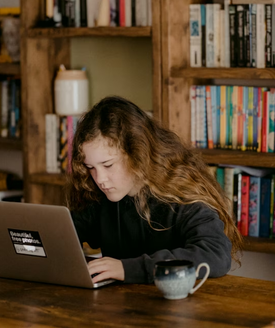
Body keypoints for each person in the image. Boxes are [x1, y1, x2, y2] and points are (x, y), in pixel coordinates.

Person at [68, 96, 243, 285]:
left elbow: (215, 254)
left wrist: (127, 269)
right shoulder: (99, 195)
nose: (100, 179)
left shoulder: (182, 193)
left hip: (179, 308)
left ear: (138, 153)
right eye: (90, 167)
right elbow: (66, 234)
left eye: (108, 165)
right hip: (122, 307)